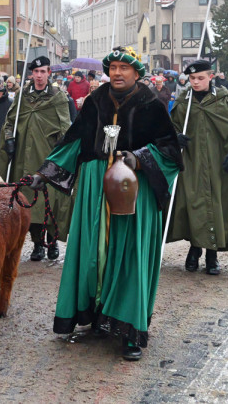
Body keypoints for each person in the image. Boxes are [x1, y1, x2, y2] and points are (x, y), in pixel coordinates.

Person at [30, 46, 181, 361]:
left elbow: (170, 150)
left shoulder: (152, 103)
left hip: (133, 186)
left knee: (128, 257)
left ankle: (129, 330)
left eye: (124, 68)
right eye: (112, 67)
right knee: (93, 253)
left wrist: (138, 158)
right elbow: (73, 142)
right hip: (95, 185)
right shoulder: (96, 102)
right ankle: (96, 315)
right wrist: (44, 173)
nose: (116, 73)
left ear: (136, 73)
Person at [168, 59, 228, 275]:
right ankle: (195, 249)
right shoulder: (184, 102)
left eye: (201, 78)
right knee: (194, 204)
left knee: (216, 205)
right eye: (192, 79)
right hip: (191, 163)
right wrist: (175, 138)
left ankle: (211, 254)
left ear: (211, 77)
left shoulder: (224, 101)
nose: (196, 82)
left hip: (218, 164)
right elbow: (171, 127)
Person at [0, 55, 72, 262]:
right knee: (29, 200)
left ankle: (52, 242)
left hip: (48, 157)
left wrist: (62, 146)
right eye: (36, 72)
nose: (39, 76)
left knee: (51, 200)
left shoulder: (58, 97)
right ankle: (38, 244)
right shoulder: (22, 95)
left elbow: (65, 125)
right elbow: (9, 122)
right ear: (31, 74)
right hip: (24, 157)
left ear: (49, 73)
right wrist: (9, 139)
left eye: (43, 72)